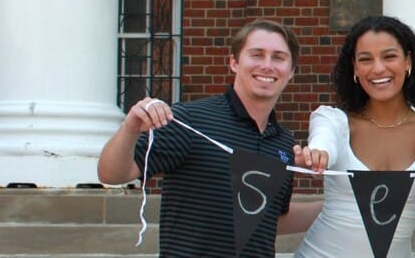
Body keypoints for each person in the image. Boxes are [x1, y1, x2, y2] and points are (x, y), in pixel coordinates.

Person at [96, 19, 317, 256]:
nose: (267, 65)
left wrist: (342, 206)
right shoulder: (190, 120)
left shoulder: (282, 142)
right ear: (234, 62)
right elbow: (112, 174)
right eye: (257, 54)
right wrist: (129, 128)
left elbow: (270, 220)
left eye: (278, 57)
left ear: (291, 71)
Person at [292, 15, 415, 257]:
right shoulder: (334, 121)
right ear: (355, 68)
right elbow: (323, 140)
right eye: (365, 59)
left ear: (407, 61)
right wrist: (317, 153)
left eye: (389, 56)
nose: (378, 68)